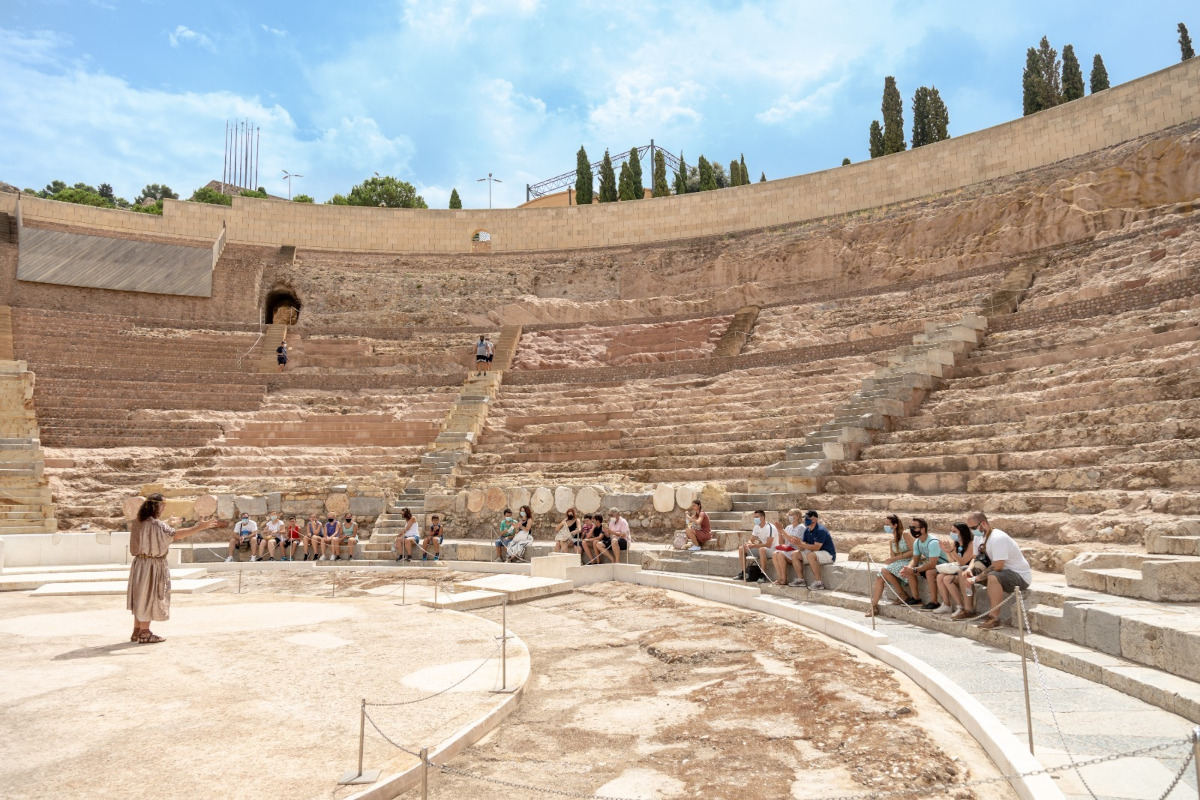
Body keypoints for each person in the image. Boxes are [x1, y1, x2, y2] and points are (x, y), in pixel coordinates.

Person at [128, 493, 224, 643]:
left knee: (140, 597)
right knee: (149, 596)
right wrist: (199, 527)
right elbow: (176, 535)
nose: (164, 508)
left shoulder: (139, 522)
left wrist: (168, 521)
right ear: (156, 506)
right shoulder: (157, 525)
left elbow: (152, 528)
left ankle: (137, 630)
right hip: (152, 565)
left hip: (139, 564)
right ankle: (145, 633)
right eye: (162, 505)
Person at [954, 511, 1032, 629]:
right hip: (999, 573)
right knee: (963, 571)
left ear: (983, 524)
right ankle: (969, 610)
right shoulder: (978, 537)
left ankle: (994, 618)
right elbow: (975, 558)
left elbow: (998, 566)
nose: (972, 531)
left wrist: (976, 579)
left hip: (1018, 576)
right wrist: (969, 570)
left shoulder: (998, 538)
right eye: (970, 528)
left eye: (974, 528)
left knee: (993, 576)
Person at [867, 514, 915, 616]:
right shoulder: (892, 541)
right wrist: (890, 560)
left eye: (888, 524)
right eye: (885, 524)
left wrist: (895, 558)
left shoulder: (905, 535)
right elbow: (892, 558)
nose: (886, 527)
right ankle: (874, 605)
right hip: (899, 563)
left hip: (911, 561)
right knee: (881, 576)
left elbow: (914, 551)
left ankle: (902, 595)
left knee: (884, 571)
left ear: (895, 525)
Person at [900, 518, 948, 610]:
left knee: (929, 572)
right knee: (909, 571)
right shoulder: (917, 542)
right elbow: (915, 559)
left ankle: (934, 602)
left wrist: (914, 569)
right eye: (911, 527)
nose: (912, 530)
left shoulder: (933, 542)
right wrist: (908, 568)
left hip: (944, 566)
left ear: (923, 529)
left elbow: (932, 564)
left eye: (914, 527)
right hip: (934, 566)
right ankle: (916, 599)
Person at [933, 523, 975, 615]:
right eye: (951, 531)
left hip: (967, 572)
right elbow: (952, 561)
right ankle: (946, 604)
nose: (952, 533)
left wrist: (951, 550)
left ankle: (960, 606)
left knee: (947, 579)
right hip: (957, 570)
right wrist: (947, 552)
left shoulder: (971, 544)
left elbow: (962, 562)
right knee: (940, 576)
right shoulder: (956, 544)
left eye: (954, 531)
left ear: (962, 532)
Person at [794, 510, 835, 589]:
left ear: (815, 519)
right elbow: (803, 546)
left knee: (810, 555)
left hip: (828, 554)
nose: (806, 520)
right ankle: (800, 580)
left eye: (808, 518)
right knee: (795, 554)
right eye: (805, 518)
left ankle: (819, 583)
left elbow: (816, 547)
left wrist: (802, 544)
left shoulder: (821, 530)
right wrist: (798, 544)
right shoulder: (807, 530)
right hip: (815, 553)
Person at [735, 509, 777, 581]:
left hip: (773, 550)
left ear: (762, 517)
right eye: (754, 517)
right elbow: (751, 539)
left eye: (757, 517)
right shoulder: (756, 527)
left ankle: (762, 575)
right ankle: (744, 573)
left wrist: (754, 546)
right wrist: (748, 543)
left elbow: (768, 544)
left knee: (761, 549)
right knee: (741, 548)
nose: (755, 519)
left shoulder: (770, 527)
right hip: (763, 549)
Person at [772, 509, 805, 586]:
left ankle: (784, 579)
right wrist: (780, 533)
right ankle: (780, 578)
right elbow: (782, 543)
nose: (789, 516)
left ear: (797, 517)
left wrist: (782, 531)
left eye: (791, 514)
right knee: (774, 553)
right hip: (788, 550)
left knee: (780, 554)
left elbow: (794, 541)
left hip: (797, 550)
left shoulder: (801, 527)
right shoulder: (788, 527)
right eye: (789, 515)